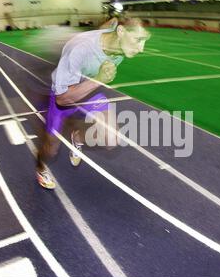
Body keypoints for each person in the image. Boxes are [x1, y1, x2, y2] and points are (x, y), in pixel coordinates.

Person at [36, 17, 151, 189]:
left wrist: (112, 22)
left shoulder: (119, 45)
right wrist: (99, 79)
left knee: (111, 139)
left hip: (90, 94)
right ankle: (40, 167)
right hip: (64, 94)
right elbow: (62, 98)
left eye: (145, 41)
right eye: (138, 40)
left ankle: (78, 137)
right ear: (121, 32)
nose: (141, 49)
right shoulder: (80, 49)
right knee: (51, 148)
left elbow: (109, 25)